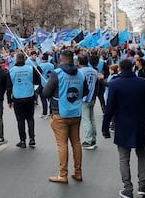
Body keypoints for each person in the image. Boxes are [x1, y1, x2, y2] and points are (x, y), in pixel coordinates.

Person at [102, 58, 145, 198]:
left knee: (123, 158)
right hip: (140, 124)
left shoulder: (115, 84)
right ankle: (142, 185)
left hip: (122, 125)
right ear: (132, 68)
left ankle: (128, 188)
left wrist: (105, 127)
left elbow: (109, 108)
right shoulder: (142, 83)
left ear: (119, 69)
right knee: (142, 154)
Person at [42, 50, 89, 183]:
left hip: (60, 114)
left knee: (62, 145)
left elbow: (45, 93)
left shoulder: (57, 74)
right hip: (76, 113)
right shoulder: (80, 74)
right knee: (76, 142)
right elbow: (85, 91)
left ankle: (63, 175)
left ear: (61, 59)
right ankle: (78, 172)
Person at [7, 53, 42, 148]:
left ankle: (22, 140)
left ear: (16, 60)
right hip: (29, 97)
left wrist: (9, 101)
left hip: (17, 98)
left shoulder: (11, 71)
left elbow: (9, 87)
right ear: (25, 59)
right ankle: (32, 139)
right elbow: (36, 81)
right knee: (30, 118)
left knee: (20, 120)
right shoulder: (30, 69)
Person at [77, 54, 99, 150]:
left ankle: (88, 140)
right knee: (92, 118)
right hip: (92, 96)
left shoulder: (80, 72)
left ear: (79, 63)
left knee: (86, 120)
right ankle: (93, 138)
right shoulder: (94, 71)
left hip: (84, 97)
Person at [37, 53, 55, 119]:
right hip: (51, 83)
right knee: (50, 99)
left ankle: (44, 113)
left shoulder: (40, 66)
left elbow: (37, 75)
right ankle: (51, 112)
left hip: (42, 84)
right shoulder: (52, 65)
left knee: (43, 99)